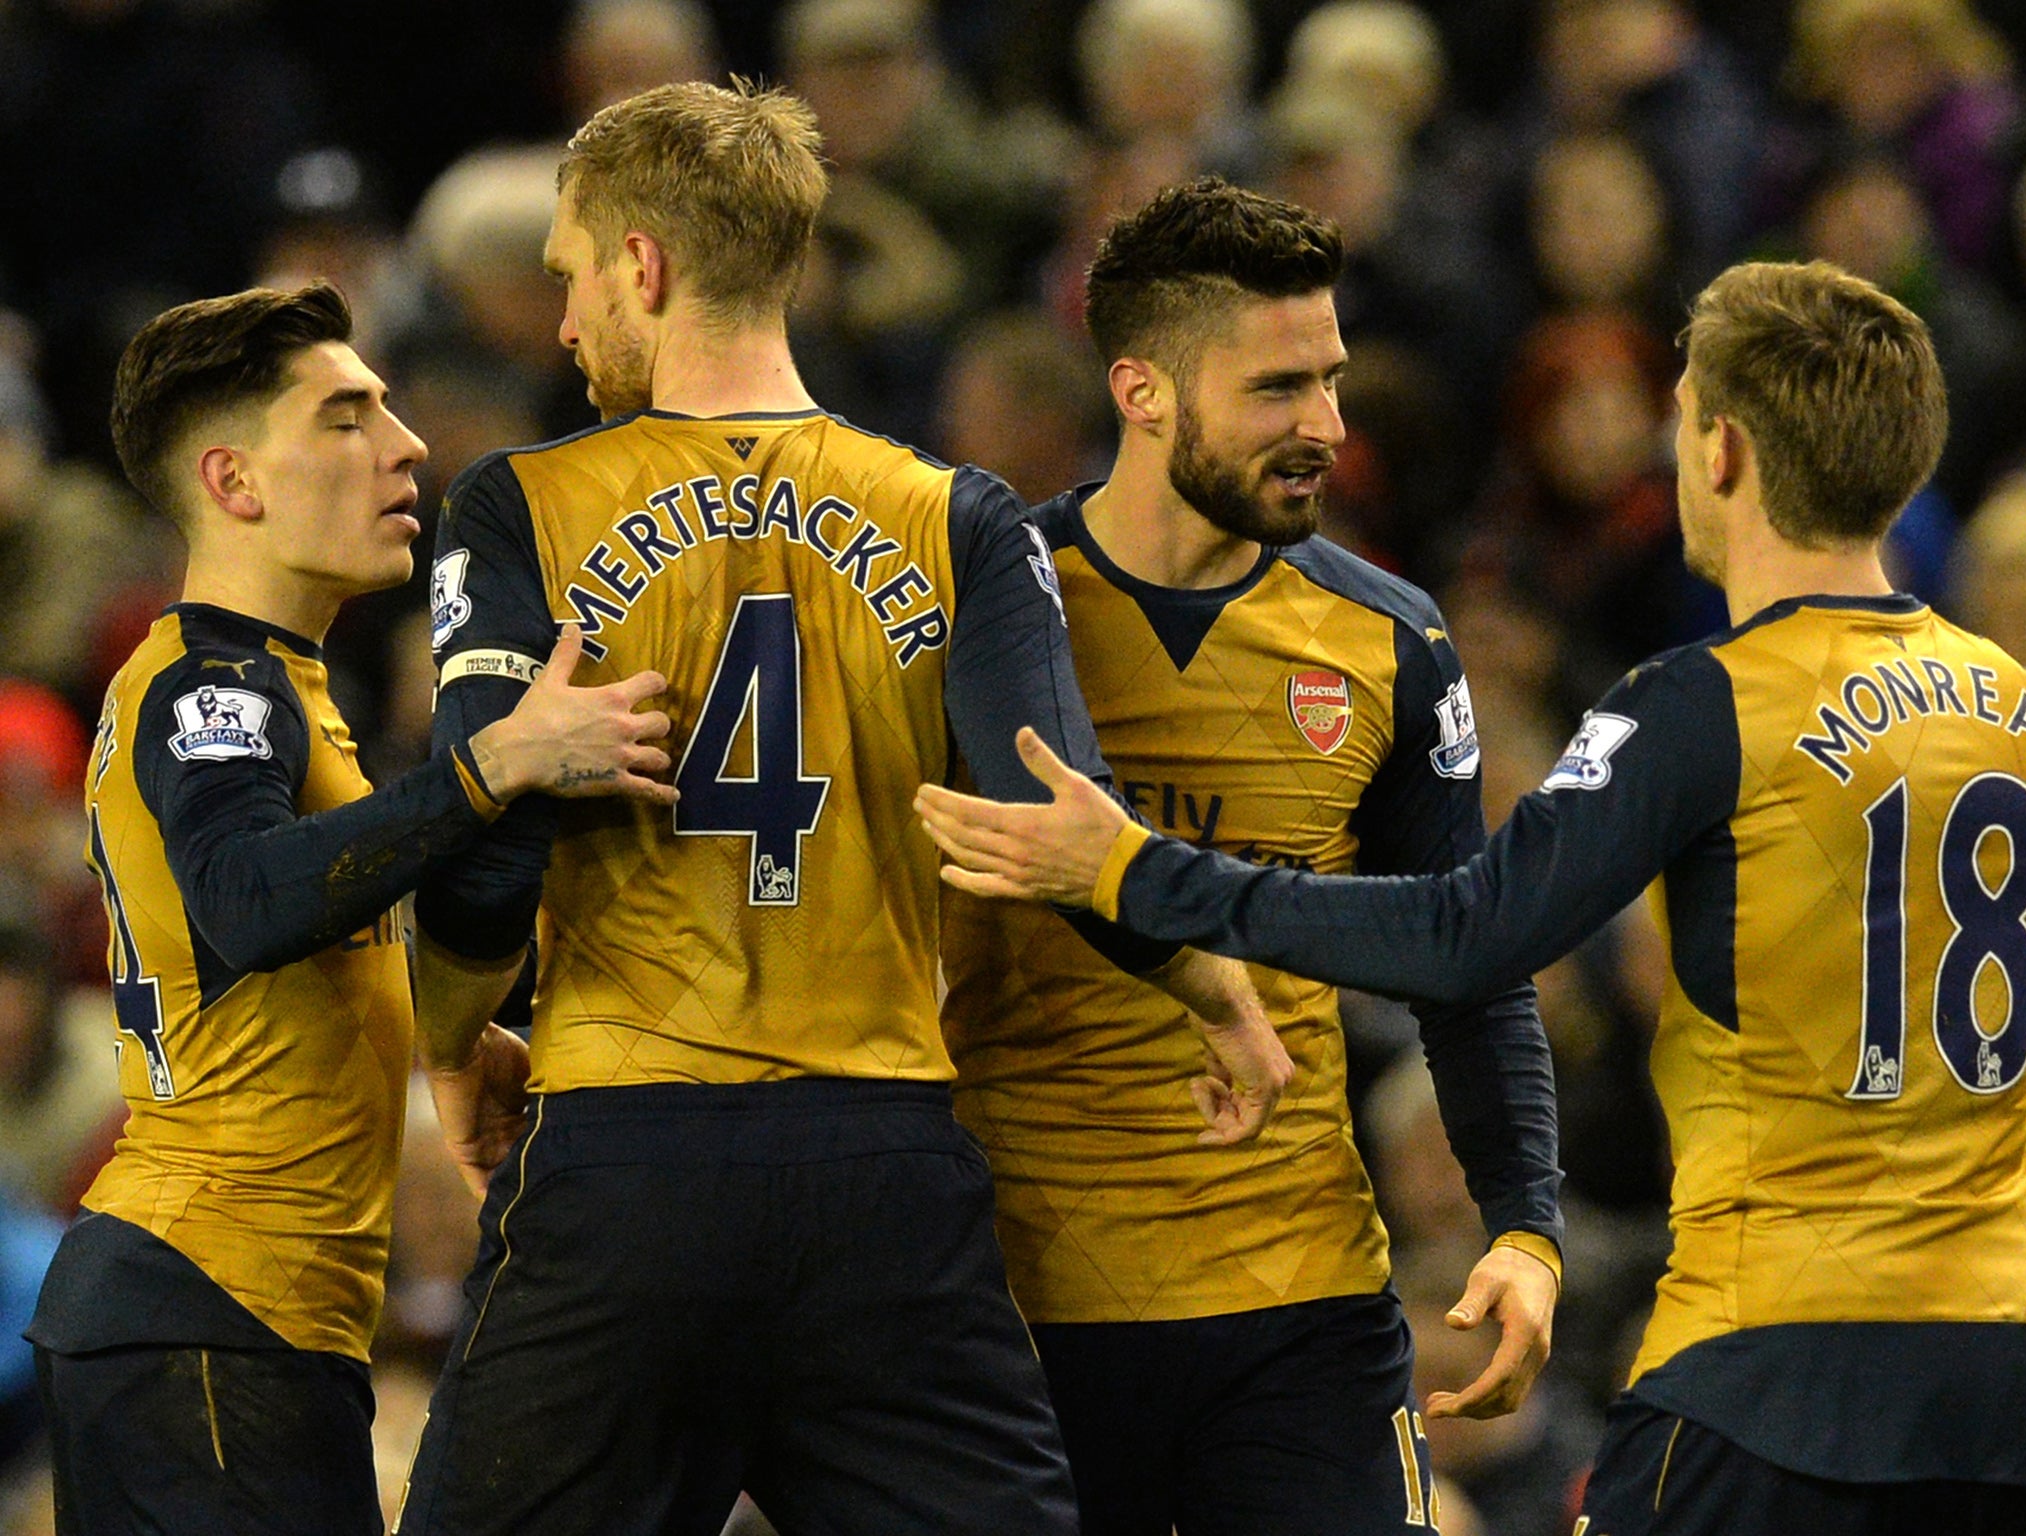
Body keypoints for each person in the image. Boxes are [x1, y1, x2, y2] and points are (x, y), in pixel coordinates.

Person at [917, 258, 2026, 1533]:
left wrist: (1136, 872)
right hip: (2010, 1363)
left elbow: (1465, 932)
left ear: (1720, 450)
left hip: (1775, 1359)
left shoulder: (1705, 700)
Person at [396, 81, 1288, 1536]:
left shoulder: (519, 509)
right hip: (881, 1171)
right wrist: (1211, 984)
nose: (563, 323)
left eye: (570, 274)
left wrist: (449, 1039)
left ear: (645, 266)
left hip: (627, 1165)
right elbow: (1057, 820)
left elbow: (489, 852)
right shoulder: (961, 515)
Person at [937, 178, 1563, 1536]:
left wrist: (1523, 1223)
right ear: (1143, 391)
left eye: (1331, 382)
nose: (1327, 426)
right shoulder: (986, 619)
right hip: (1019, 1305)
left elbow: (1468, 956)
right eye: (1281, 388)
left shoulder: (1387, 637)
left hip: (1303, 1309)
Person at [24, 281, 679, 1536]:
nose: (407, 443)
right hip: (208, 1307)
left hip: (220, 1316)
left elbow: (282, 928)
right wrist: (492, 767)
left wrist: (435, 1036)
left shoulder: (270, 685)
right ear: (233, 481)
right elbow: (248, 902)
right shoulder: (214, 685)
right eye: (344, 417)